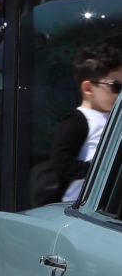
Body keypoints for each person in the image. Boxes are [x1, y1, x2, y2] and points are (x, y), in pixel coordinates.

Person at [36, 43, 122, 205]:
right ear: (88, 88)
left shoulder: (115, 117)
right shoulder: (78, 121)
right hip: (80, 204)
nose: (120, 94)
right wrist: (99, 172)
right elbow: (60, 161)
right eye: (116, 87)